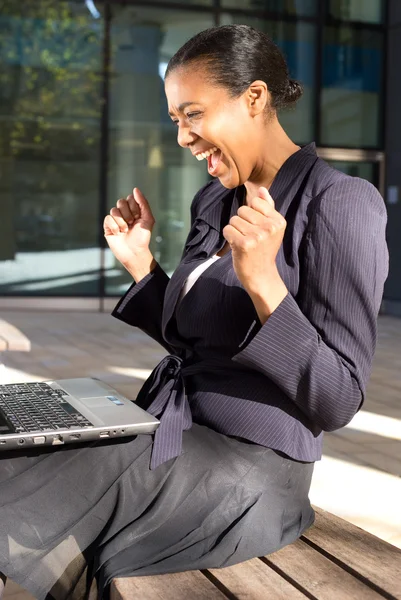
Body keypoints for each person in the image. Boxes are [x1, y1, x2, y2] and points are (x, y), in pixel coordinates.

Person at [0, 24, 388, 600]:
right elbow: (198, 343)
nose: (182, 137)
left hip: (250, 470)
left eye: (192, 114)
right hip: (168, 430)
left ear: (254, 98)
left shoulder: (339, 202)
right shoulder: (215, 198)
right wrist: (142, 268)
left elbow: (338, 399)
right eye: (176, 120)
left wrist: (266, 288)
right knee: (19, 435)